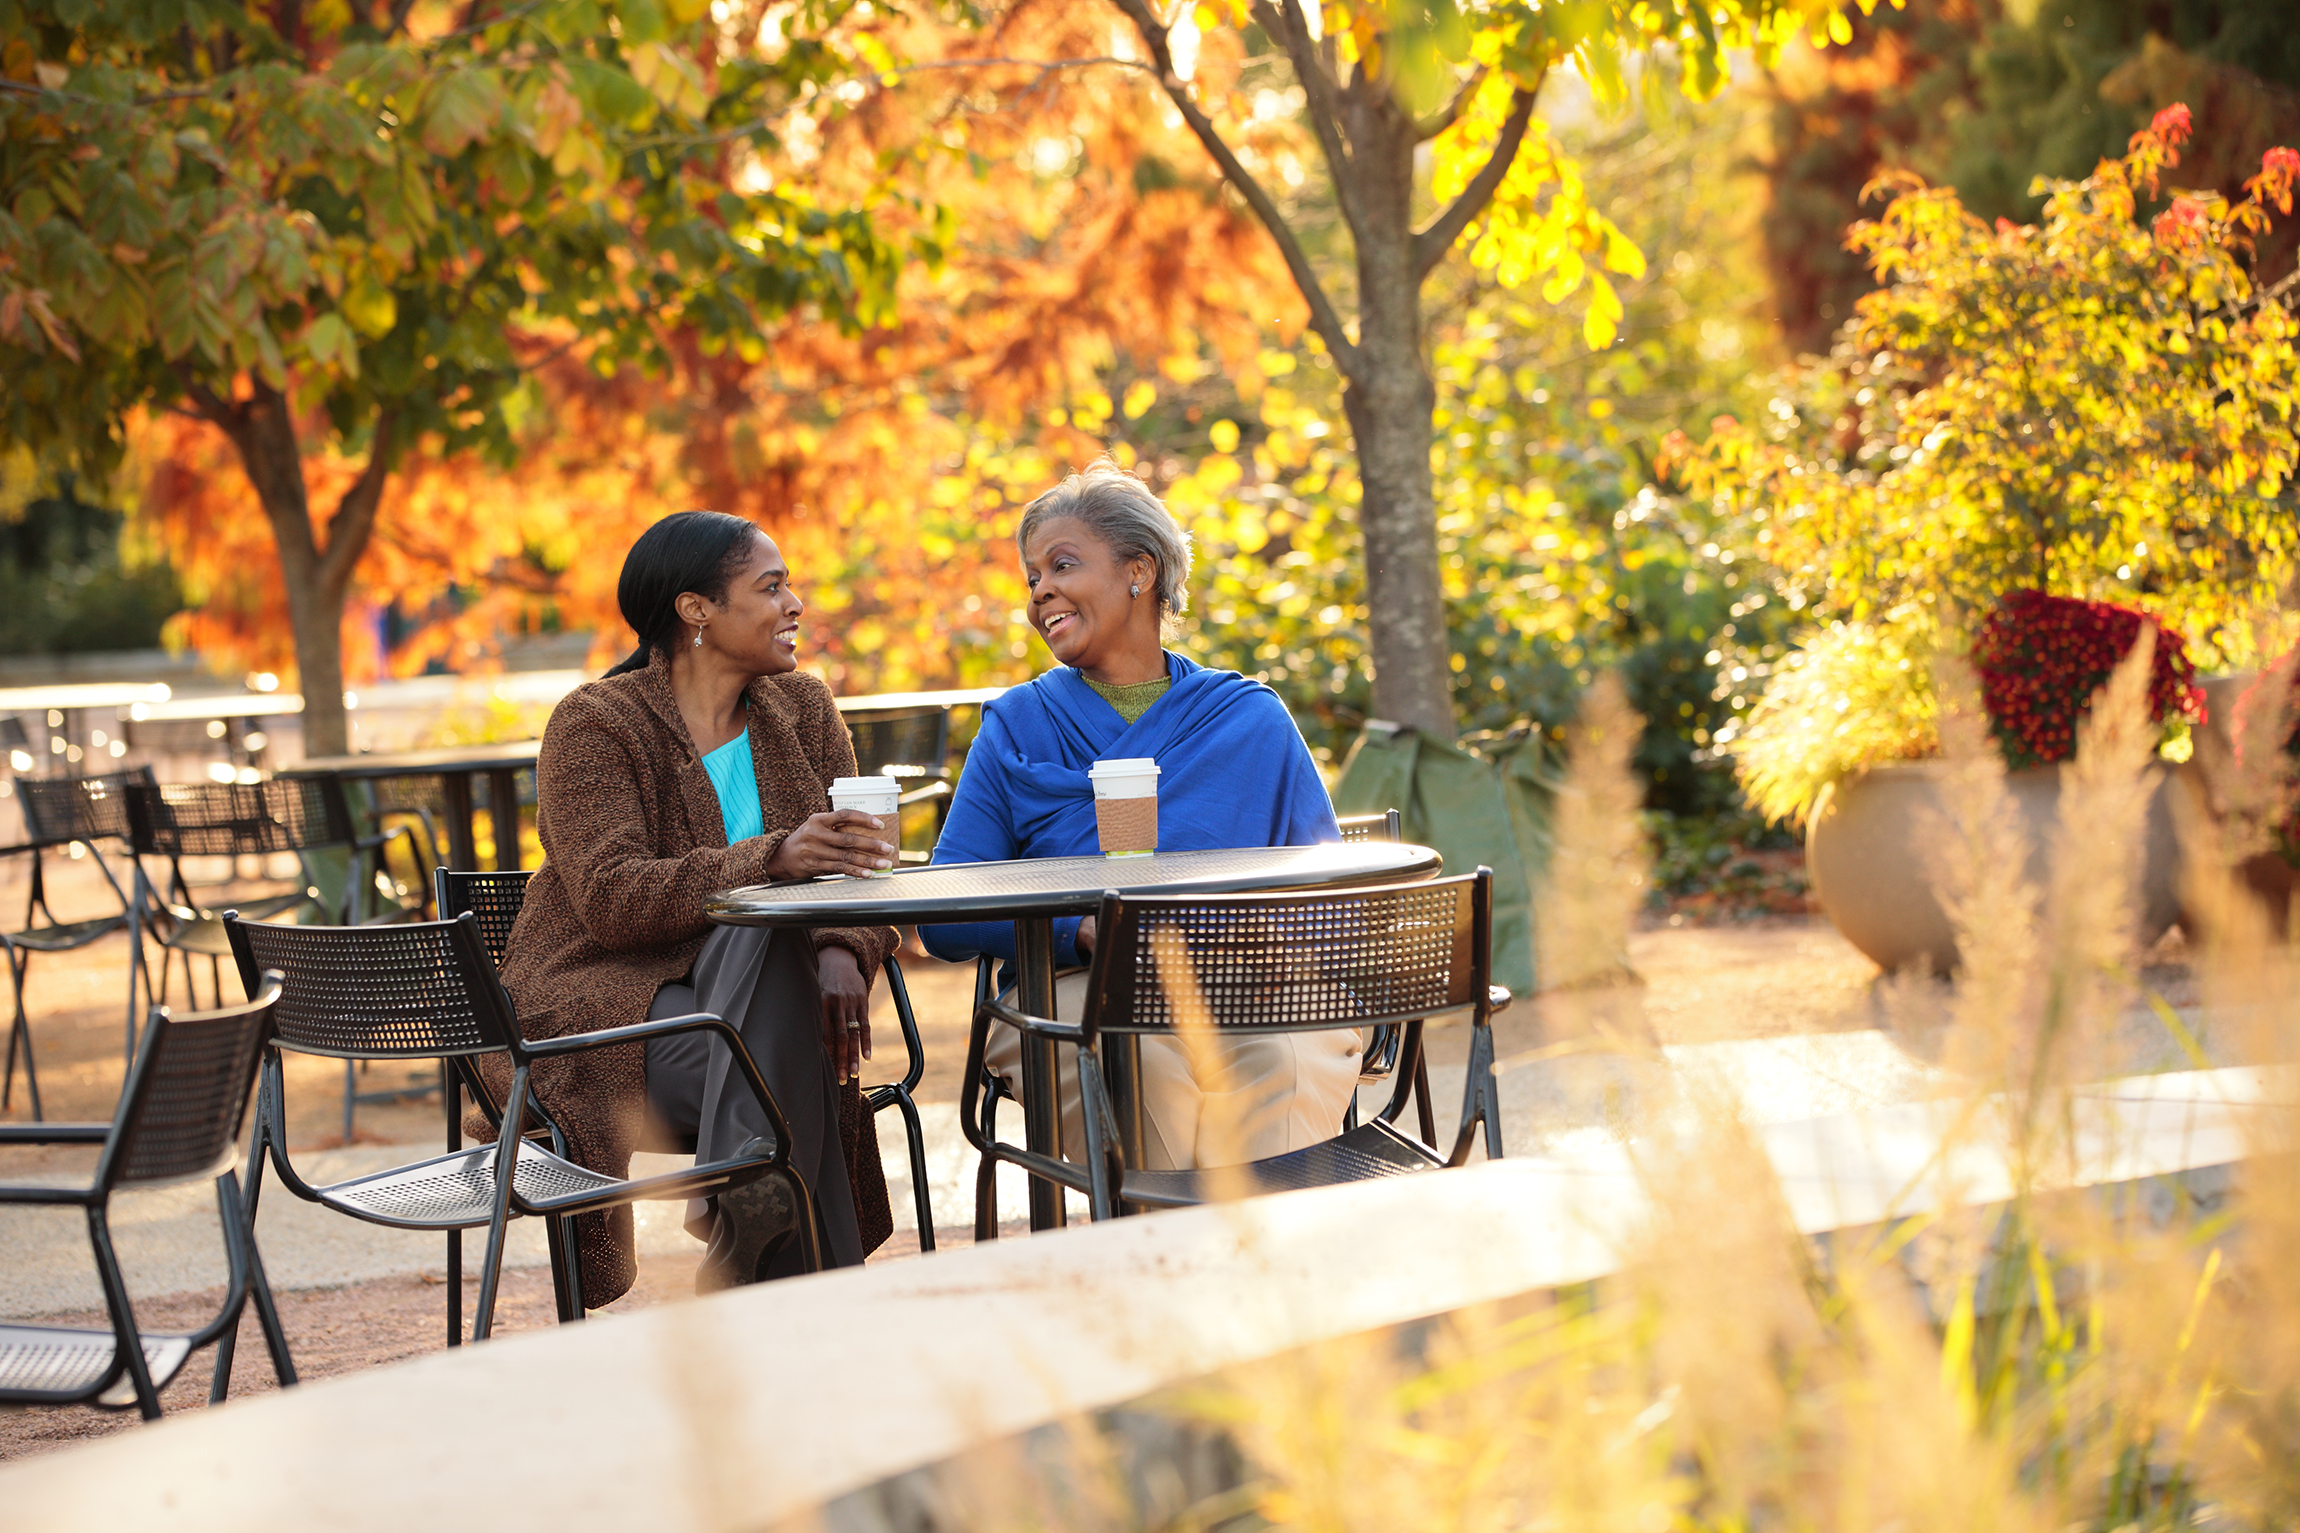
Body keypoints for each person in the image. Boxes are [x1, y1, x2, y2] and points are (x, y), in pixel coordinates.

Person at [497, 511, 900, 1302]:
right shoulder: (596, 722)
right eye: (771, 587)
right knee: (776, 958)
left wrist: (840, 950)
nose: (795, 606)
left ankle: (754, 1230)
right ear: (696, 611)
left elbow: (860, 876)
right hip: (612, 1015)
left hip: (756, 1020)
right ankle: (797, 1281)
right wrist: (771, 856)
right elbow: (613, 899)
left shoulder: (804, 710)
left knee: (780, 954)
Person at [920, 461, 1356, 1170]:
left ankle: (1269, 1262)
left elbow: (1329, 895)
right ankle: (1169, 1252)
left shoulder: (1249, 720)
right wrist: (1078, 929)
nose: (1041, 592)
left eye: (1062, 564)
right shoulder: (1019, 726)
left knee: (1283, 1058)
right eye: (1032, 577)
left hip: (1244, 982)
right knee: (1143, 1064)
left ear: (1139, 572)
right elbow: (943, 912)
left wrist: (1272, 943)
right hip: (1069, 990)